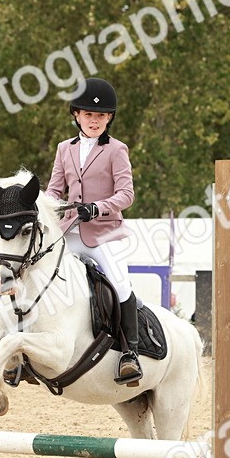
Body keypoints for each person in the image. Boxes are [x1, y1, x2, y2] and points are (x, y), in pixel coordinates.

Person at [45, 77, 141, 384]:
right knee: (39, 274)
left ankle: (129, 353)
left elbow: (126, 194)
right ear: (76, 115)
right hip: (69, 231)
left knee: (120, 283)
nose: (94, 120)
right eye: (88, 114)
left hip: (104, 232)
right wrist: (44, 208)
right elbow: (54, 189)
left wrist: (97, 208)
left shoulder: (117, 150)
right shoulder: (64, 149)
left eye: (101, 115)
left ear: (109, 118)